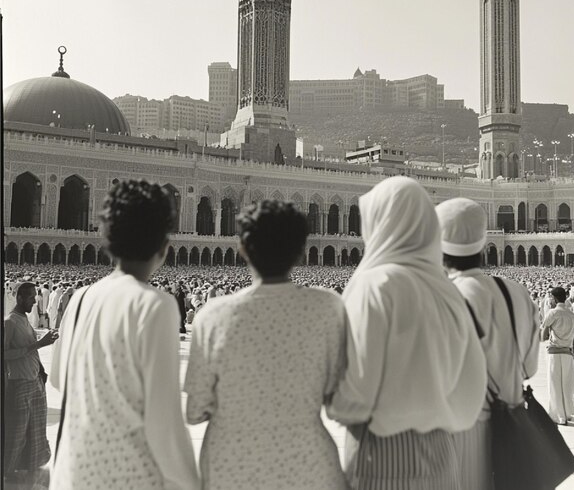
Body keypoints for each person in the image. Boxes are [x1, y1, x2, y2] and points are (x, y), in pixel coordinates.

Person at [326, 178, 487, 490]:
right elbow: (471, 392)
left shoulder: (374, 285)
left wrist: (332, 402)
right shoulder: (447, 290)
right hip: (443, 458)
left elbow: (355, 397)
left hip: (381, 460)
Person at [184, 200, 347, 490]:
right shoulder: (327, 307)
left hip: (232, 469)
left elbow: (195, 411)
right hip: (308, 468)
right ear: (300, 251)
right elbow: (341, 402)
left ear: (243, 248)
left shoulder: (213, 316)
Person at [50, 180, 199, 490]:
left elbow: (58, 379)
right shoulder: (155, 305)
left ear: (107, 240)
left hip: (75, 473)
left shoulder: (80, 299)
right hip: (128, 476)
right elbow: (164, 421)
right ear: (163, 245)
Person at [436, 197, 540, 490]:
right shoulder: (517, 293)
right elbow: (529, 368)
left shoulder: (442, 298)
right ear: (485, 243)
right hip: (514, 428)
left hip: (461, 435)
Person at [4, 281, 58, 482]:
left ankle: (30, 465)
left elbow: (30, 348)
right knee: (17, 431)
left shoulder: (24, 320)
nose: (35, 301)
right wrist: (38, 344)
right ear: (19, 298)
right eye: (31, 297)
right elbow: (5, 353)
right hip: (20, 383)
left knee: (35, 429)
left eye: (35, 296)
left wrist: (41, 367)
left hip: (34, 380)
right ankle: (7, 470)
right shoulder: (10, 322)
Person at [541, 287, 574, 425]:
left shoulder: (553, 313)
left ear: (554, 298)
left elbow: (543, 335)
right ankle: (568, 413)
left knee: (554, 384)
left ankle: (558, 415)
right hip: (568, 352)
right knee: (567, 384)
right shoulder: (572, 315)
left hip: (554, 352)